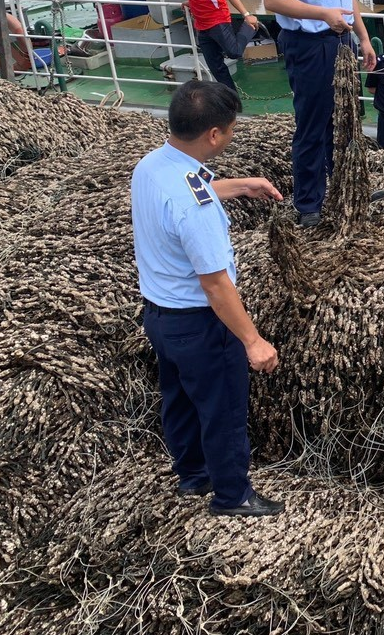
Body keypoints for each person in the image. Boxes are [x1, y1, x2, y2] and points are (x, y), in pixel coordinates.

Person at [130, 80, 285, 517]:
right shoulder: (194, 209)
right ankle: (232, 494)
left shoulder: (151, 166)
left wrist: (240, 186)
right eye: (231, 128)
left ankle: (192, 476)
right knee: (223, 408)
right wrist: (253, 341)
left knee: (178, 398)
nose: (232, 134)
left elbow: (182, 196)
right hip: (200, 325)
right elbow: (216, 285)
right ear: (213, 134)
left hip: (160, 316)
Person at [263, 0, 377, 228]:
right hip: (310, 46)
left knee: (344, 119)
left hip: (341, 43)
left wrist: (363, 37)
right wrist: (322, 15)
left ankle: (346, 186)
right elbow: (274, 0)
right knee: (312, 124)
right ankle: (309, 203)